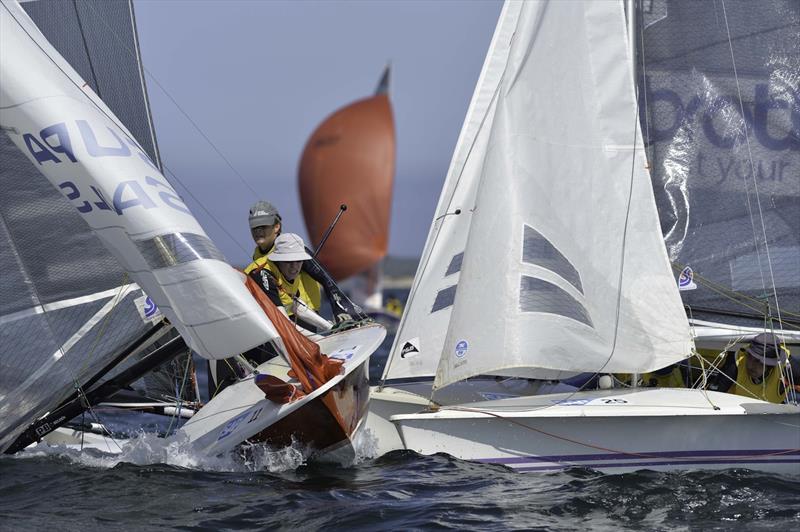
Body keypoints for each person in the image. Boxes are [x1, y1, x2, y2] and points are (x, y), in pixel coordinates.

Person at [248, 233, 332, 333]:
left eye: (298, 261)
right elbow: (282, 322)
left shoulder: (290, 273)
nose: (294, 266)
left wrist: (329, 327)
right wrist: (317, 339)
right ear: (278, 260)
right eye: (288, 261)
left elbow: (294, 305)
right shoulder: (263, 274)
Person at [706, 333, 790, 404]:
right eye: (749, 356)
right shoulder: (738, 361)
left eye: (758, 361)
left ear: (770, 365)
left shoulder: (787, 367)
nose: (750, 365)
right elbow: (713, 395)